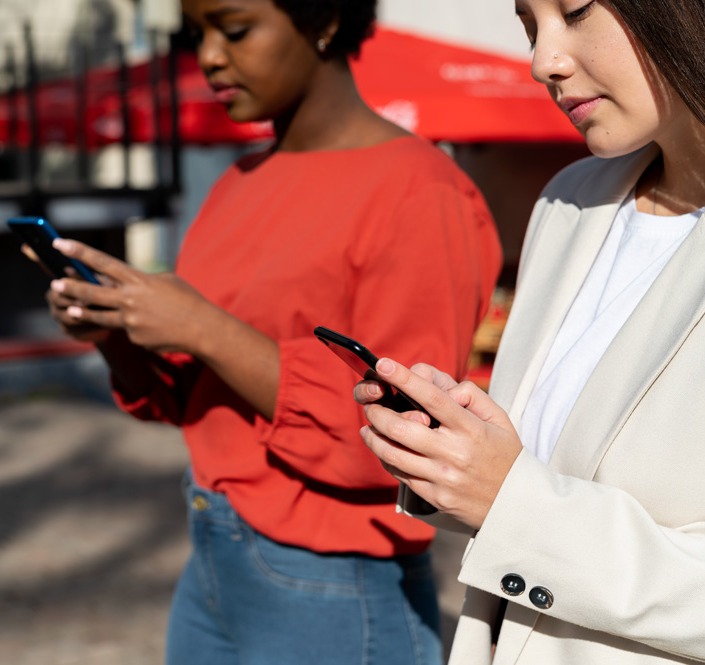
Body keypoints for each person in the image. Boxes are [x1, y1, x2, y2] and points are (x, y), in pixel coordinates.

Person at [30, 0, 502, 663]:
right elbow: (187, 400)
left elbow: (408, 440)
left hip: (335, 585)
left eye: (236, 28)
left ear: (325, 19)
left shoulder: (421, 191)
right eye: (197, 35)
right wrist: (112, 327)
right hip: (212, 559)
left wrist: (204, 327)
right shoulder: (237, 183)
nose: (210, 56)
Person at [353, 0, 705, 663]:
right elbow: (541, 469)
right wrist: (455, 458)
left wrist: (515, 503)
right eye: (529, 25)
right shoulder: (570, 201)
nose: (541, 61)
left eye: (575, 10)